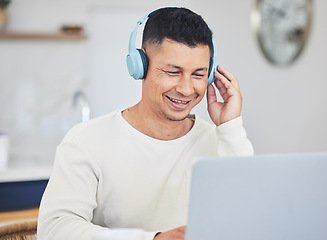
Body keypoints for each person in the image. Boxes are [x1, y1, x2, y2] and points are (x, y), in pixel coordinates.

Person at [37, 7, 254, 240]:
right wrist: (154, 239)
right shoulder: (87, 140)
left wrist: (230, 127)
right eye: (173, 71)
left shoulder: (220, 140)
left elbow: (251, 218)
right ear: (140, 65)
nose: (186, 88)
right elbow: (54, 230)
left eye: (199, 74)